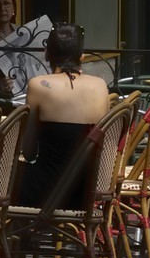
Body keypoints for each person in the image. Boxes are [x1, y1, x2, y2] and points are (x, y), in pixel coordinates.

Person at [19, 23, 110, 208]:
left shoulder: (38, 85)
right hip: (87, 193)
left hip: (45, 191)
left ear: (47, 54)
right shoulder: (100, 86)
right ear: (81, 56)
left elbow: (28, 152)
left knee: (2, 173)